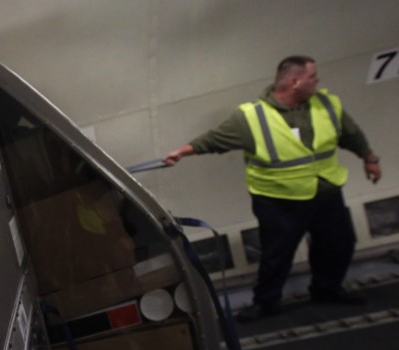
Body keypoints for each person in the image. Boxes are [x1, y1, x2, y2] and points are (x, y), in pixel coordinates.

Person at [163, 55, 382, 321]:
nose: (317, 81)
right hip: (279, 200)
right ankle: (266, 302)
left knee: (338, 244)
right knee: (276, 255)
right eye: (312, 77)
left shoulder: (325, 103)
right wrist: (182, 152)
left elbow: (351, 135)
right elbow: (215, 140)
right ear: (294, 81)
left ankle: (327, 289)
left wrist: (370, 159)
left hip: (325, 192)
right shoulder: (252, 116)